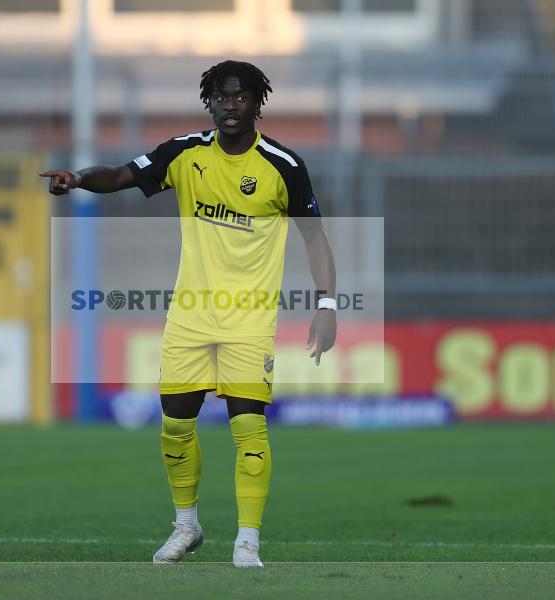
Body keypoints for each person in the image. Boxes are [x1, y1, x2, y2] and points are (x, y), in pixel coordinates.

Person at [41, 60, 336, 568]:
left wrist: (327, 303)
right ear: (209, 101)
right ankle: (186, 525)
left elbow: (315, 238)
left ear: (257, 103)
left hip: (247, 320)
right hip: (189, 317)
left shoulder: (283, 166)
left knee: (248, 428)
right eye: (221, 97)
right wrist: (79, 179)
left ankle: (247, 541)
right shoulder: (182, 153)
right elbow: (122, 174)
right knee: (175, 427)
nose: (230, 105)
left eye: (241, 97)